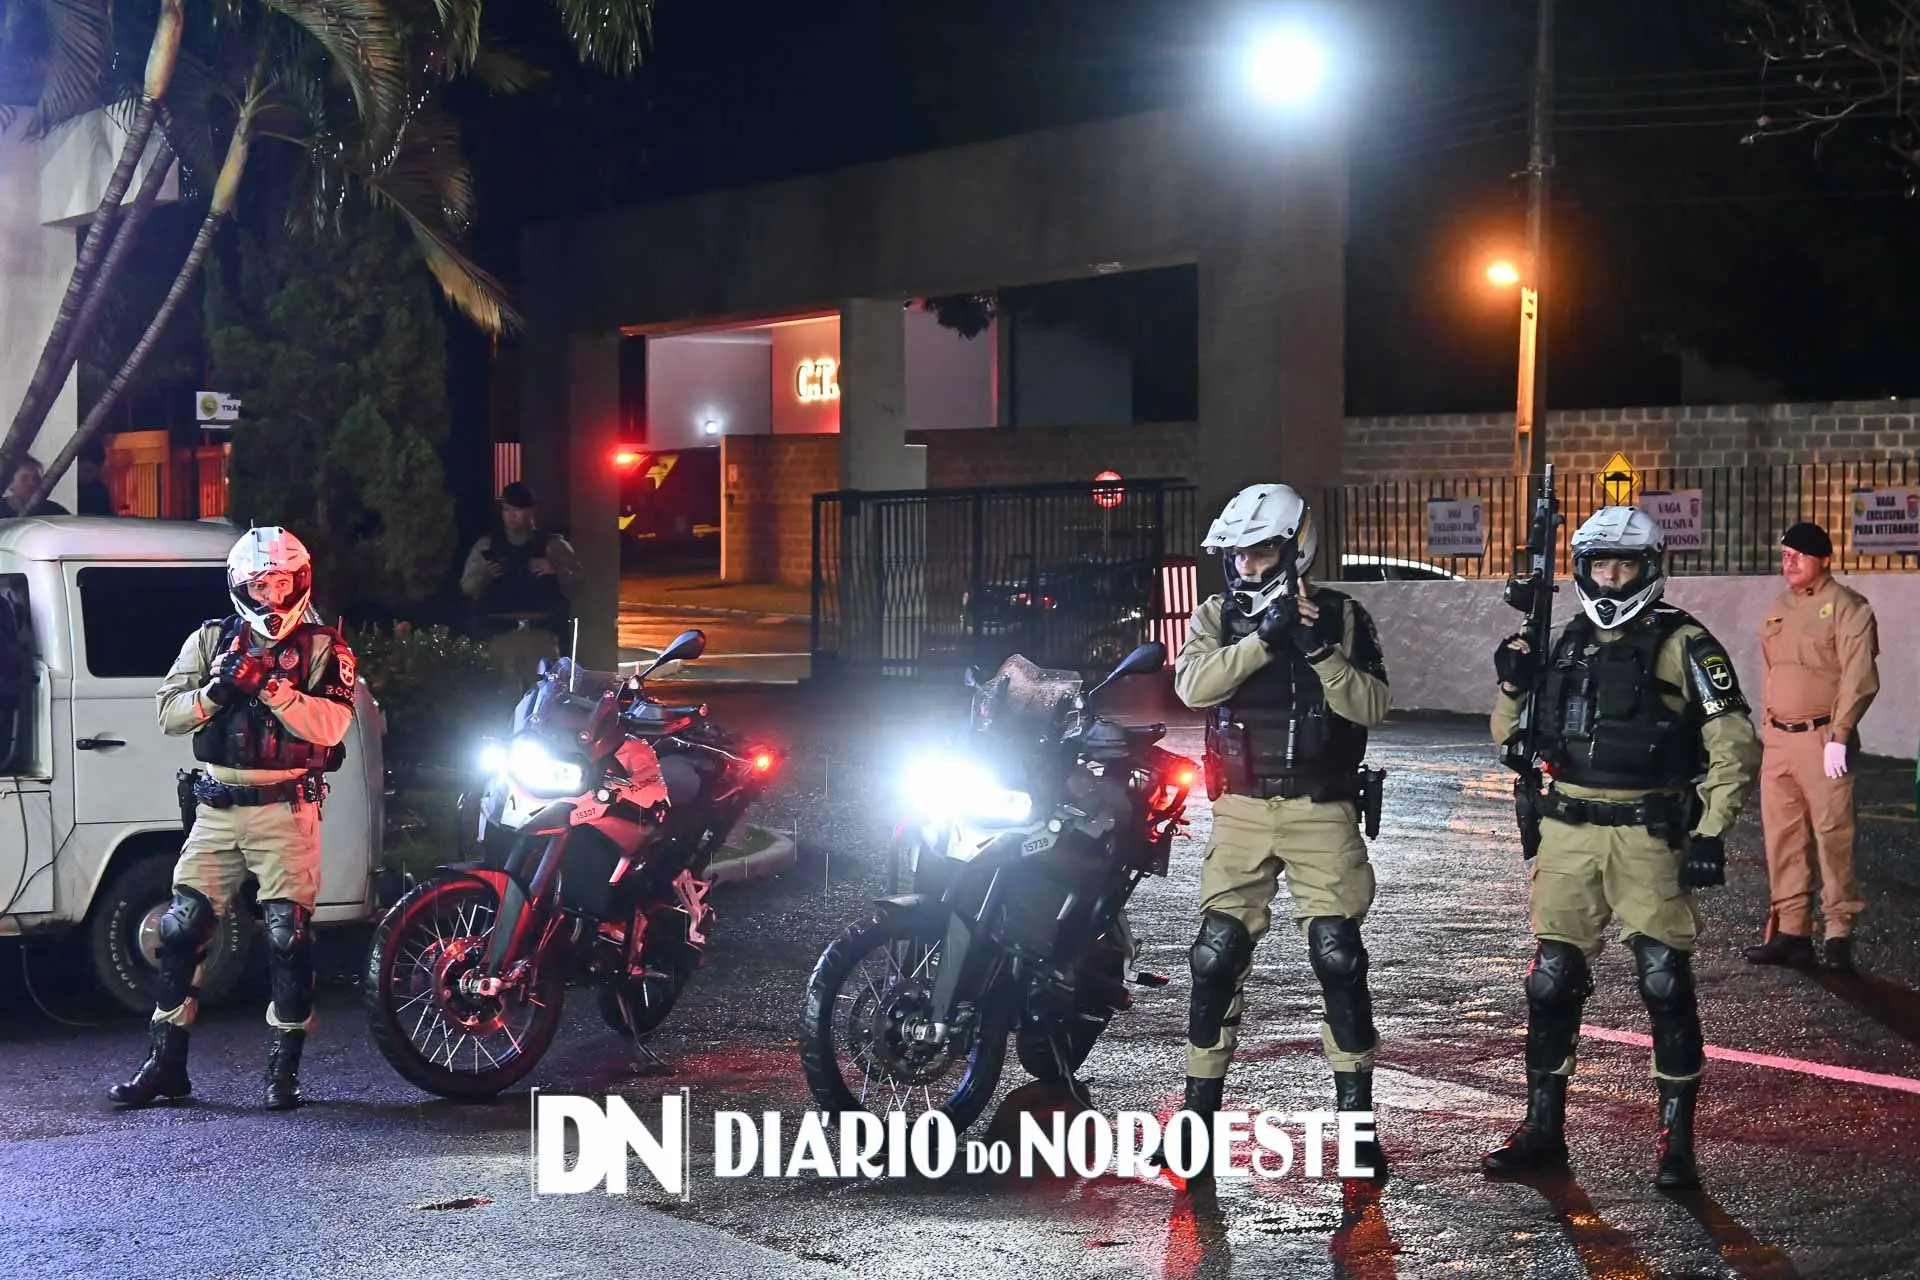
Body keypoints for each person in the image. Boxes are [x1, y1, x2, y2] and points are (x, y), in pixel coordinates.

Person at [1483, 506, 1760, 1191]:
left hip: (1646, 832)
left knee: (1663, 981)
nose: (1610, 578)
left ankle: (1676, 1144)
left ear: (1650, 568)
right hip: (1568, 829)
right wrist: (1513, 683)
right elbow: (1509, 741)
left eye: (1624, 565)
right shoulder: (1562, 642)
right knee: (1550, 981)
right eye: (1600, 565)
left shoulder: (1684, 643)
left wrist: (1711, 829)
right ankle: (1542, 1129)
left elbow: (1733, 742)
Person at [1171, 483, 1391, 1183]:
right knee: (1215, 957)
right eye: (1238, 554)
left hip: (1321, 808)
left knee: (1337, 957)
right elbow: (1193, 688)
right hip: (1241, 806)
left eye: (1262, 551)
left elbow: (1373, 705)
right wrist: (1264, 641)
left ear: (1297, 549)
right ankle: (1196, 1125)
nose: (1246, 566)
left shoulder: (1343, 616)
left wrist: (1319, 651)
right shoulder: (1215, 615)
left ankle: (1356, 1132)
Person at [109, 527, 357, 1111]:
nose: (271, 596)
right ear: (241, 587)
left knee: (288, 938)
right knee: (179, 928)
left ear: (299, 582)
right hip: (218, 806)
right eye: (259, 585)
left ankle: (283, 1073)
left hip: (286, 808)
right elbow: (168, 714)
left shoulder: (324, 647)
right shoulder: (210, 639)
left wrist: (272, 688)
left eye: (281, 584)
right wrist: (216, 692)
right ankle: (166, 1065)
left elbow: (331, 726)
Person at [1745, 521, 1880, 974]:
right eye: (1785, 555)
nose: (1789, 562)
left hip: (1823, 739)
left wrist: (1840, 735)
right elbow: (1771, 671)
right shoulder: (1779, 607)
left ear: (1823, 559)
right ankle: (1792, 932)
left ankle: (1838, 933)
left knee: (1833, 836)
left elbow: (1859, 678)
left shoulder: (1848, 607)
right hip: (1780, 740)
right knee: (1782, 838)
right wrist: (1768, 730)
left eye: (1798, 555)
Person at [460, 482, 581, 688]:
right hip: (500, 637)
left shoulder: (552, 545)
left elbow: (577, 584)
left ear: (531, 511)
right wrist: (485, 575)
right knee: (501, 697)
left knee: (543, 696)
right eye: (507, 510)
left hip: (540, 637)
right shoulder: (487, 546)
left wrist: (555, 568)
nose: (512, 516)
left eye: (517, 510)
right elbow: (468, 587)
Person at [0, 454, 70, 517]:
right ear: (10, 483)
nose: (32, 482)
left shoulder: (55, 511)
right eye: (25, 478)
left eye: (36, 478)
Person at [75, 440, 115, 515]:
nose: (90, 478)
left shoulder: (100, 491)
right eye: (87, 471)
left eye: (95, 473)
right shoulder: (70, 490)